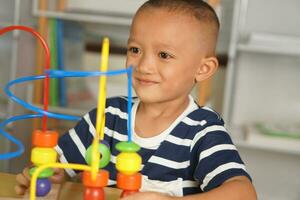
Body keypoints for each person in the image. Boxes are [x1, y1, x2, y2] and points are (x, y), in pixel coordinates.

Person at [15, 0, 257, 199]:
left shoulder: (203, 130)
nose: (143, 65)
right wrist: (51, 174)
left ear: (203, 69)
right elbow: (61, 164)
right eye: (135, 50)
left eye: (164, 55)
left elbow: (244, 193)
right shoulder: (107, 116)